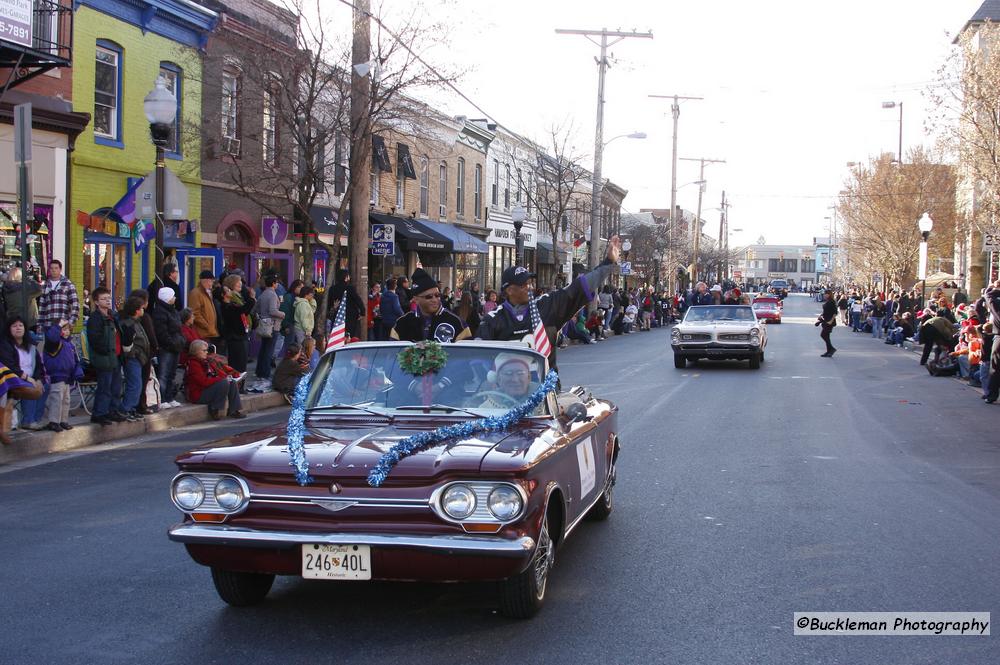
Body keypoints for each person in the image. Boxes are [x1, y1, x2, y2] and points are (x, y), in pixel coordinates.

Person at [477, 236, 621, 367]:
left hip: (545, 389)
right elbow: (478, 360)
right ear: (509, 290)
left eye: (530, 283)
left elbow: (578, 288)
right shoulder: (492, 320)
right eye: (523, 285)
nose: (530, 287)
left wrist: (608, 262)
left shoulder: (546, 305)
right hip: (507, 392)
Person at [391, 268, 470, 343]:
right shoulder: (401, 324)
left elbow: (467, 354)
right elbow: (391, 354)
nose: (435, 300)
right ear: (416, 299)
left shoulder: (457, 323)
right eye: (429, 297)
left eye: (437, 295)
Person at [86, 287, 126, 426]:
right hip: (104, 357)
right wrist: (105, 350)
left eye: (109, 298)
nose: (108, 301)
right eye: (104, 299)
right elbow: (95, 339)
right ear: (96, 302)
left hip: (116, 356)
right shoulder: (95, 318)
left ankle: (113, 410)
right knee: (105, 387)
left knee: (116, 386)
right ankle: (100, 413)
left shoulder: (112, 316)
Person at [0, 315, 48, 430]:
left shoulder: (31, 346)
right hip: (12, 379)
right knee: (30, 387)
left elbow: (38, 366)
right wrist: (27, 378)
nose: (18, 328)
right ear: (9, 329)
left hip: (29, 377)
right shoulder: (5, 345)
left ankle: (36, 419)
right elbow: (10, 366)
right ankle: (28, 421)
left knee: (46, 385)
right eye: (14, 326)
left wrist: (39, 379)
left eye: (20, 325)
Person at [185, 339, 244, 419]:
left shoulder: (206, 361)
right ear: (196, 352)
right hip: (198, 395)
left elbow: (218, 373)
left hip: (206, 389)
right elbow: (203, 382)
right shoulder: (193, 364)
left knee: (231, 382)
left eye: (206, 350)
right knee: (224, 383)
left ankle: (234, 410)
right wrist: (221, 379)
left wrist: (228, 377)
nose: (206, 352)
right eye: (204, 350)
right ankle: (214, 408)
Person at [42, 320, 83, 431]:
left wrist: (77, 372)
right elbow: (51, 337)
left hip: (67, 376)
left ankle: (63, 420)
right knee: (56, 398)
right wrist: (58, 325)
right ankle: (54, 421)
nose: (66, 332)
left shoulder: (70, 344)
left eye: (68, 330)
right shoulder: (54, 342)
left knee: (66, 400)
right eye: (63, 329)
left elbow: (75, 360)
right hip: (57, 374)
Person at [151, 287, 185, 409]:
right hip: (167, 348)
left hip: (176, 346)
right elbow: (162, 332)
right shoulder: (160, 312)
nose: (175, 298)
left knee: (171, 373)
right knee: (163, 374)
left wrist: (181, 340)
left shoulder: (173, 311)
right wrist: (171, 343)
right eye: (173, 296)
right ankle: (162, 398)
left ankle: (170, 397)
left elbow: (178, 328)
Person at [470, 353, 539, 410]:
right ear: (499, 379)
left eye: (520, 373)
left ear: (529, 377)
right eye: (508, 373)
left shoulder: (542, 403)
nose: (515, 379)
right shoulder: (486, 408)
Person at [216, 273, 255, 374]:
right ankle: (237, 386)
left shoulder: (233, 302)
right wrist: (251, 299)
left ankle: (239, 386)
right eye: (228, 290)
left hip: (240, 334)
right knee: (238, 363)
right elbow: (241, 311)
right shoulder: (227, 306)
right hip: (235, 336)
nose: (230, 292)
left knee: (241, 362)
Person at [119, 295, 150, 421]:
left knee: (138, 384)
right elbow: (127, 344)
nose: (143, 310)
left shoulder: (136, 322)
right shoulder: (128, 324)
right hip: (133, 359)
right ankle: (126, 408)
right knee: (134, 384)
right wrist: (136, 353)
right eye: (142, 308)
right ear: (137, 310)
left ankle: (132, 408)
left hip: (140, 357)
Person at [252, 274, 285, 388]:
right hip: (272, 325)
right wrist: (282, 314)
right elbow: (273, 311)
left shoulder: (262, 294)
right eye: (276, 283)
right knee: (269, 350)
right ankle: (265, 373)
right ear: (273, 284)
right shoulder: (272, 295)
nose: (277, 285)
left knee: (263, 349)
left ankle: (259, 371)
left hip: (264, 324)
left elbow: (255, 309)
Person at [37, 259, 81, 331]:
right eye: (51, 268)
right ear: (49, 270)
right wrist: (40, 324)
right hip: (48, 324)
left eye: (56, 268)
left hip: (63, 323)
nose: (53, 270)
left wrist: (71, 321)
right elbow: (42, 306)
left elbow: (75, 303)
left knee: (63, 342)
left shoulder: (68, 284)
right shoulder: (45, 285)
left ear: (60, 269)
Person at [3, 266, 43, 335]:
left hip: (13, 320)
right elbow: (39, 289)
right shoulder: (24, 290)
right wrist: (28, 279)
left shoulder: (6, 289)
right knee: (29, 343)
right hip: (28, 321)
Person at [329, 268, 365, 340]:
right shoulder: (350, 288)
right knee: (350, 335)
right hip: (351, 316)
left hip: (338, 316)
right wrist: (362, 312)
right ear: (346, 277)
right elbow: (358, 300)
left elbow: (330, 303)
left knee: (338, 337)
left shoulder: (332, 289)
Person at [188, 270, 219, 344]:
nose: (212, 283)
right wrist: (207, 326)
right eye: (212, 281)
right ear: (207, 280)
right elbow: (195, 313)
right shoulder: (196, 293)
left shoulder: (207, 292)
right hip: (202, 333)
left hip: (208, 333)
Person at [816, 289, 838, 357]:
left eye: (825, 294)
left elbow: (835, 312)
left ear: (829, 294)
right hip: (825, 320)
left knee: (823, 335)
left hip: (829, 321)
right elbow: (825, 311)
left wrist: (831, 321)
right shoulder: (827, 301)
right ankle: (829, 351)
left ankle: (831, 349)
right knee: (826, 336)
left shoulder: (832, 301)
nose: (824, 295)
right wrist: (821, 316)